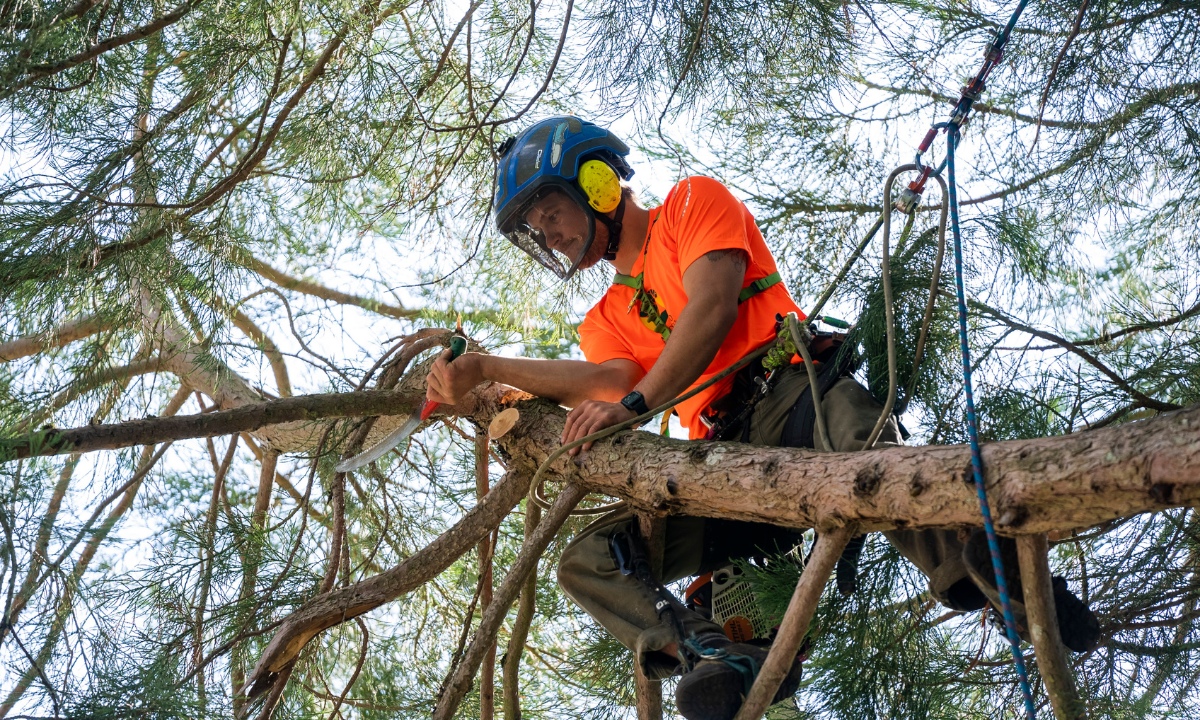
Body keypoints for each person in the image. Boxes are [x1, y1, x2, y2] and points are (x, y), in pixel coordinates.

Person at [424, 116, 1099, 720]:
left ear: (598, 182)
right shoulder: (604, 319)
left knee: (855, 437)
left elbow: (711, 307)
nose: (552, 233)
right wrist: (487, 369)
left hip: (790, 390)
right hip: (719, 457)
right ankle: (714, 656)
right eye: (539, 230)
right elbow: (616, 380)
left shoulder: (691, 203)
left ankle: (984, 565)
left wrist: (630, 408)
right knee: (588, 559)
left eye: (552, 210)